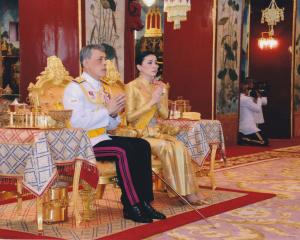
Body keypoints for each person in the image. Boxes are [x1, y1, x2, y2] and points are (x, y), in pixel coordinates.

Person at [63, 44, 166, 223]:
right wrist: (107, 111)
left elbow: (111, 124)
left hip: (102, 137)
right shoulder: (75, 88)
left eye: (105, 59)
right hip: (85, 142)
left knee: (142, 145)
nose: (105, 64)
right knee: (122, 151)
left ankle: (144, 202)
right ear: (86, 63)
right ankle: (131, 205)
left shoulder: (102, 88)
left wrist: (112, 114)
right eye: (100, 60)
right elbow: (76, 122)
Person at [125, 51, 203, 205]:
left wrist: (161, 96)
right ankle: (181, 193)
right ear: (139, 66)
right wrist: (152, 101)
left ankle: (189, 191)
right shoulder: (131, 87)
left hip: (156, 132)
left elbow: (164, 114)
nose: (154, 66)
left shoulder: (159, 86)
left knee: (180, 146)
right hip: (139, 134)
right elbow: (129, 117)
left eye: (155, 63)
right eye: (149, 62)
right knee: (167, 147)